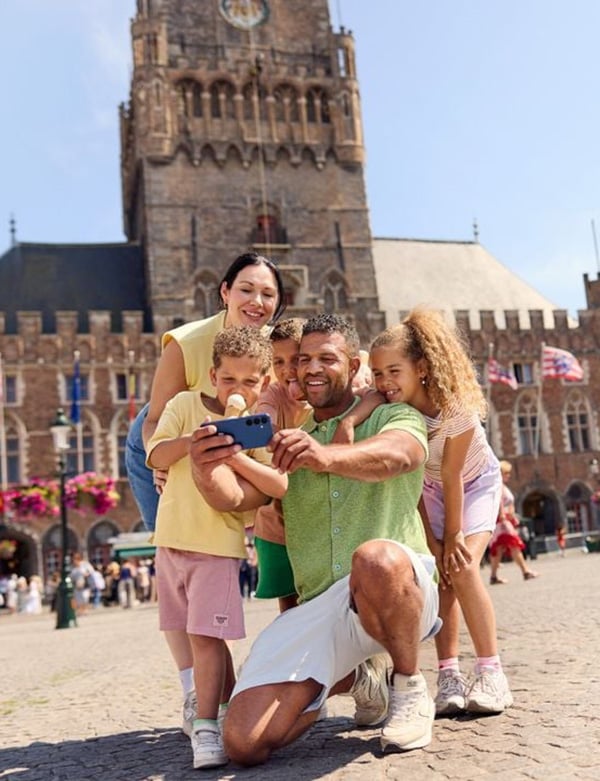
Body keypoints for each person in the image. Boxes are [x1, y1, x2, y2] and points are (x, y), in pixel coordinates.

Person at [190, 314, 440, 767]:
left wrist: (327, 457)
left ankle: (409, 686)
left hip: (398, 590)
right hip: (321, 609)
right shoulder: (292, 441)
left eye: (327, 357)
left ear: (353, 362)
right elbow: (238, 498)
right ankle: (334, 681)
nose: (311, 368)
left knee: (376, 558)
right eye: (304, 359)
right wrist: (206, 469)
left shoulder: (394, 414)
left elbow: (399, 454)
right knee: (244, 743)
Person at [124, 252, 285, 735]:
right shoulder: (190, 342)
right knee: (178, 559)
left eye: (268, 294)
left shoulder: (276, 351)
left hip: (229, 450)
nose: (257, 301)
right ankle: (196, 691)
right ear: (224, 292)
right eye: (246, 290)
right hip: (166, 439)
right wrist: (163, 460)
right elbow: (155, 419)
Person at [146, 326, 287, 770]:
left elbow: (275, 485)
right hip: (170, 542)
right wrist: (195, 441)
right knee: (198, 637)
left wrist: (236, 454)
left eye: (249, 382)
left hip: (216, 547)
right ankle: (224, 709)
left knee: (207, 638)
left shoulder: (256, 431)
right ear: (212, 375)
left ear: (263, 384)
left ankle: (206, 726)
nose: (238, 390)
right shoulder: (185, 406)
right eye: (229, 380)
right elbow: (154, 453)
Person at [369, 309, 513, 719]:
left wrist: (451, 538)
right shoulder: (392, 411)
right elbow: (412, 479)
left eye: (393, 371)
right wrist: (432, 543)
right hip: (428, 490)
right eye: (377, 374)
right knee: (441, 576)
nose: (384, 383)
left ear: (423, 367)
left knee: (463, 567)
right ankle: (448, 675)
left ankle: (492, 671)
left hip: (474, 484)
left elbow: (453, 475)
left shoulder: (457, 406)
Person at [253, 317, 311, 611]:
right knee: (289, 606)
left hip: (316, 519)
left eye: (296, 359)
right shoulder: (274, 393)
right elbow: (264, 419)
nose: (287, 370)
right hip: (277, 523)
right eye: (278, 362)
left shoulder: (324, 392)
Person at [489, 460, 539, 582]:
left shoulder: (502, 486)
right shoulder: (498, 485)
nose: (508, 475)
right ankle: (525, 571)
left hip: (504, 519)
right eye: (506, 473)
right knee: (514, 544)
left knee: (499, 548)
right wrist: (502, 516)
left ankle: (494, 576)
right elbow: (499, 501)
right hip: (502, 521)